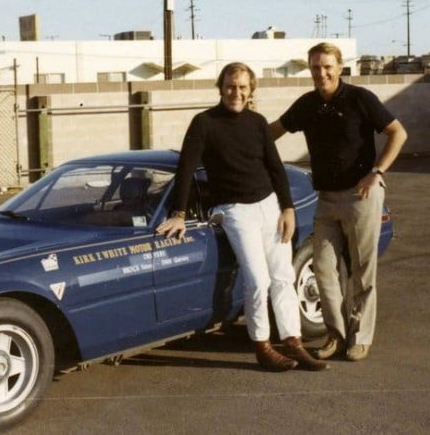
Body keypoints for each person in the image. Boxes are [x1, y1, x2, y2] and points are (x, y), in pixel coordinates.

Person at [157, 62, 327, 372]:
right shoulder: (204, 123)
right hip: (234, 211)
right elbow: (185, 169)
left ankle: (293, 342)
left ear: (251, 91)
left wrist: (288, 208)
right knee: (258, 280)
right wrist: (178, 214)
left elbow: (275, 167)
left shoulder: (258, 122)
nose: (236, 92)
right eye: (231, 86)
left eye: (242, 87)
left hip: (270, 206)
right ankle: (262, 346)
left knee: (283, 277)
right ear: (221, 88)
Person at [269, 42, 407, 362]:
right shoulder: (307, 105)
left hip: (361, 196)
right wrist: (238, 138)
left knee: (361, 270)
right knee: (323, 267)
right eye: (316, 67)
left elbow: (398, 133)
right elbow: (272, 131)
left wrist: (377, 172)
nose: (322, 73)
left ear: (340, 68)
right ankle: (336, 334)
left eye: (327, 67)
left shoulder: (360, 99)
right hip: (326, 199)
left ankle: (360, 337)